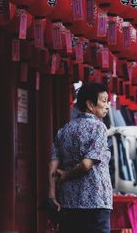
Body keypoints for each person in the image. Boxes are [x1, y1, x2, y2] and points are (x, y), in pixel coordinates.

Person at [48, 82, 113, 233]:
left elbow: (51, 166)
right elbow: (86, 165)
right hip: (96, 203)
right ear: (90, 104)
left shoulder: (64, 130)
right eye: (104, 101)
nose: (107, 106)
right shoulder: (99, 128)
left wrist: (51, 196)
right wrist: (66, 175)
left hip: (69, 203)